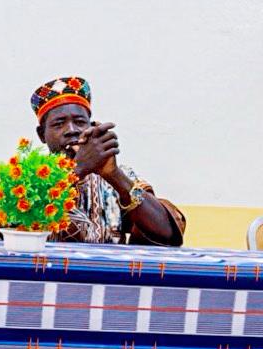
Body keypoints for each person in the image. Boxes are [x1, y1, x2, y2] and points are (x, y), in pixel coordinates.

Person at [18, 76, 185, 245]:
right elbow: (12, 223)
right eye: (59, 124)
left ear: (91, 127)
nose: (72, 130)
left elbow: (167, 234)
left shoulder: (118, 175)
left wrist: (114, 175)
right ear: (42, 134)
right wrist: (77, 169)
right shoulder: (23, 177)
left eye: (80, 122)